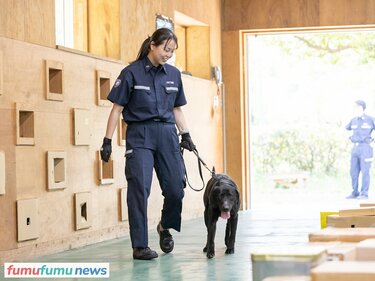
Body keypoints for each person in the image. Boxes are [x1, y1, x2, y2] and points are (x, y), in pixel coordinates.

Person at [100, 28, 195, 260]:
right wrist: (107, 140)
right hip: (140, 135)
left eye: (172, 51)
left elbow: (177, 109)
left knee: (175, 188)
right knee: (139, 189)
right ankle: (140, 246)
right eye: (166, 49)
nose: (168, 54)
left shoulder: (174, 74)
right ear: (153, 45)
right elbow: (117, 109)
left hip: (167, 134)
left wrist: (186, 134)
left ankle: (165, 225)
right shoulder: (131, 73)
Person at [345, 100, 375, 200]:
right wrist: (349, 139)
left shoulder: (370, 119)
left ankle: (364, 193)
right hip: (355, 148)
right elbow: (346, 129)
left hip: (366, 148)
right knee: (353, 171)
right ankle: (355, 192)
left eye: (357, 107)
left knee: (365, 171)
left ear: (362, 108)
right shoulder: (353, 120)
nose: (355, 109)